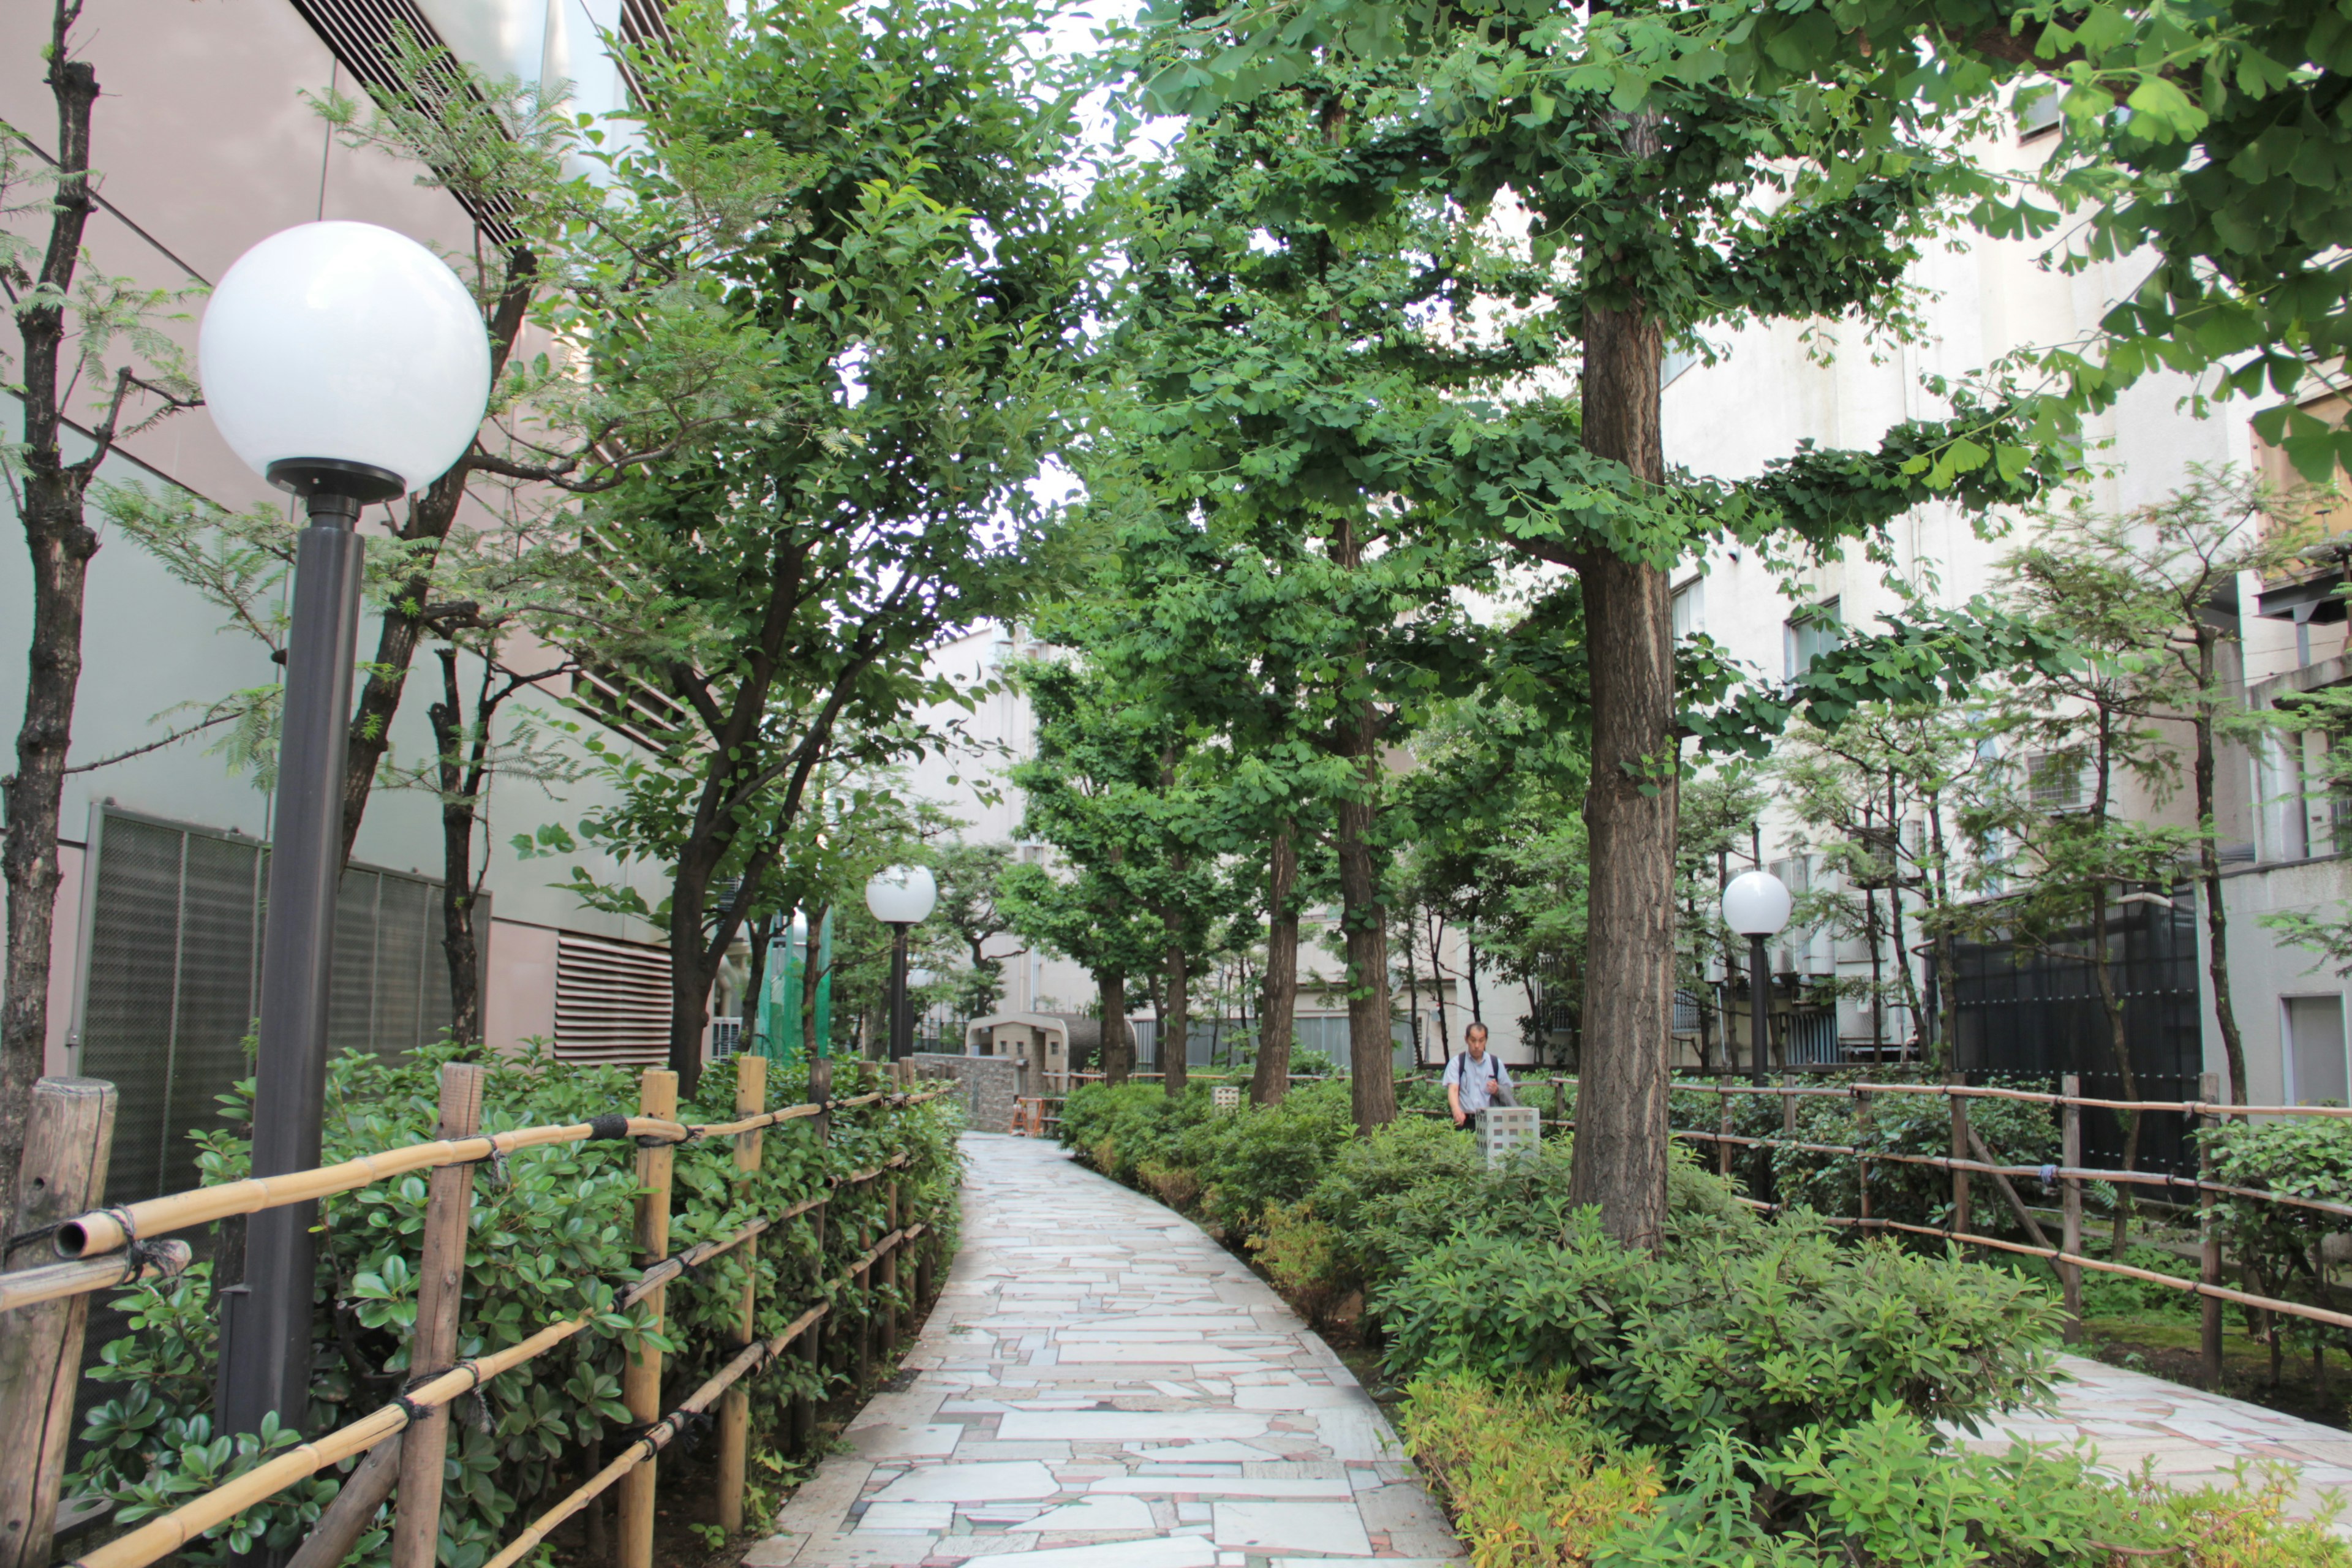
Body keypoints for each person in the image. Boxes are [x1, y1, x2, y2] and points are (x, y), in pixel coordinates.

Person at [1444, 1022, 1515, 1128]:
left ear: (1486, 1040)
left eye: (1481, 1041)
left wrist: (1497, 1090)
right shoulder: (1457, 1063)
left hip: (1490, 1121)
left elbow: (1508, 1090)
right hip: (1465, 1120)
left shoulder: (1496, 1063)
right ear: (1466, 1039)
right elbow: (1453, 1089)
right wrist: (1456, 1110)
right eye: (1473, 1040)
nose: (1477, 1046)